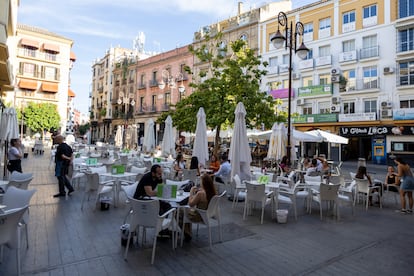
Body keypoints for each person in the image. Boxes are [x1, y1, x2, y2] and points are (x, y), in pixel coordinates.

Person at [183, 174, 217, 241]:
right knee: (185, 210)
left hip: (198, 216)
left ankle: (186, 232)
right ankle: (187, 231)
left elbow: (190, 204)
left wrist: (191, 192)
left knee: (179, 211)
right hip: (207, 214)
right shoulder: (213, 192)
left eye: (201, 181)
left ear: (203, 183)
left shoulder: (200, 194)